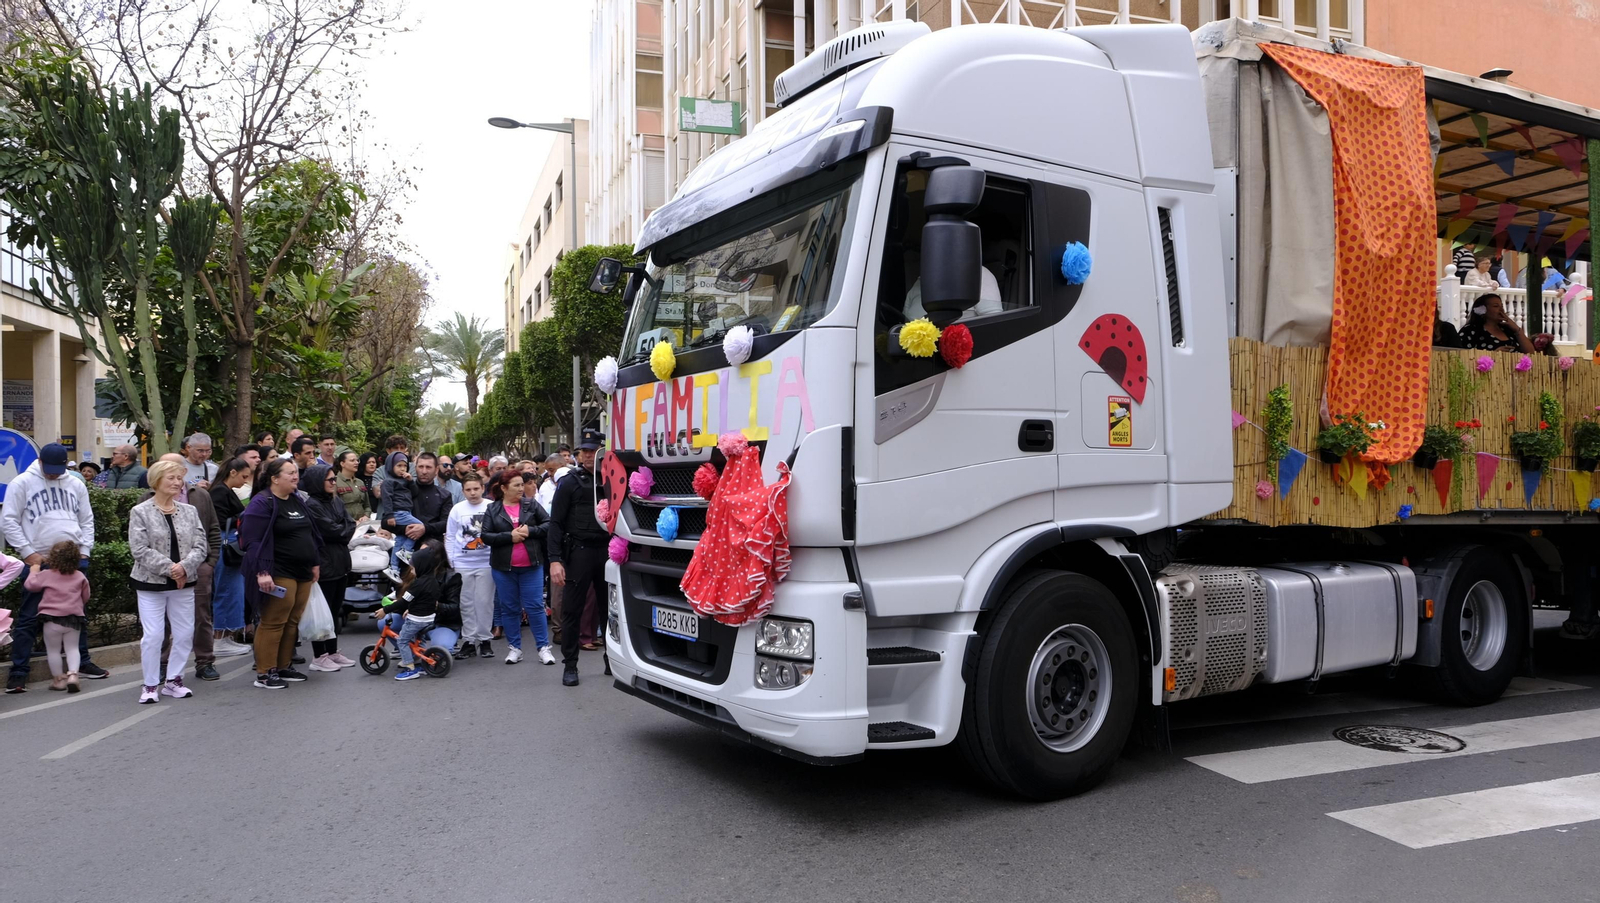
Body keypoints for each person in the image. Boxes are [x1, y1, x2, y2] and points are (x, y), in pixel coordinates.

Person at [3, 443, 107, 692]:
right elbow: (8, 520)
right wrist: (29, 554)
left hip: (73, 559)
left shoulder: (75, 483)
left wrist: (85, 551)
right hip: (40, 560)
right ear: (39, 462)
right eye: (48, 469)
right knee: (29, 617)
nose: (52, 474)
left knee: (77, 616)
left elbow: (86, 519)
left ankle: (81, 663)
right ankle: (19, 672)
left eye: (57, 470)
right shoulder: (22, 483)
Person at [129, 458, 209, 704]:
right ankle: (150, 684)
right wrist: (170, 569)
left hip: (184, 582)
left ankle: (174, 680)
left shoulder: (189, 511)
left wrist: (184, 567)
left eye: (179, 478)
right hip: (150, 584)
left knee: (185, 632)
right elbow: (139, 549)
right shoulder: (140, 511)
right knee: (153, 636)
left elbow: (200, 544)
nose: (177, 482)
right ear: (156, 481)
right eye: (171, 478)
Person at [239, 458, 322, 690]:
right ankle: (265, 673)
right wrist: (262, 572)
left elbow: (310, 534)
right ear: (275, 478)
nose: (295, 476)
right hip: (277, 571)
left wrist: (314, 562)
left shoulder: (296, 499)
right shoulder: (261, 502)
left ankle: (284, 666)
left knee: (292, 620)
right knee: (273, 621)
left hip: (303, 571)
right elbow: (253, 542)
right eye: (289, 473)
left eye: (296, 472)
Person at [145, 452, 223, 682]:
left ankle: (205, 661)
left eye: (177, 472)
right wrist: (166, 567)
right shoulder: (145, 500)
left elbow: (212, 531)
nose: (175, 479)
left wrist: (209, 563)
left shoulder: (199, 496)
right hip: (159, 571)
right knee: (161, 622)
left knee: (200, 616)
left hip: (197, 566)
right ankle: (162, 663)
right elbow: (141, 543)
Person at [548, 429, 611, 686]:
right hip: (579, 553)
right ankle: (570, 665)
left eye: (592, 450)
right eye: (584, 451)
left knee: (610, 610)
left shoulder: (612, 479)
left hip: (608, 552)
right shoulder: (570, 482)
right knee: (573, 611)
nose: (587, 455)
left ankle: (613, 659)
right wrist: (554, 560)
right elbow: (555, 523)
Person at [484, 469, 555, 665]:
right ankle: (515, 648)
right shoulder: (493, 509)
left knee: (534, 607)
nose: (521, 489)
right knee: (509, 608)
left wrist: (530, 531)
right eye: (516, 485)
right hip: (503, 568)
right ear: (503, 488)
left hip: (532, 566)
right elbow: (486, 536)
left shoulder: (531, 504)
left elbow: (549, 524)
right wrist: (510, 537)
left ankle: (543, 648)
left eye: (522, 485)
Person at [300, 463, 357, 671]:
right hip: (324, 563)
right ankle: (319, 655)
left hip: (340, 561)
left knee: (333, 610)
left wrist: (341, 529)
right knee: (321, 613)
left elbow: (349, 525)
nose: (334, 483)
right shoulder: (312, 504)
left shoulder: (335, 500)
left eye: (335, 479)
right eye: (330, 480)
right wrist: (341, 529)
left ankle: (332, 651)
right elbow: (333, 531)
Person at [379, 541, 448, 681]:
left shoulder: (417, 584)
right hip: (429, 618)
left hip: (416, 620)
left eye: (413, 568)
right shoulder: (433, 581)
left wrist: (385, 610)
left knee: (403, 641)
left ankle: (410, 667)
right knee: (418, 640)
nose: (411, 571)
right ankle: (422, 661)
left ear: (421, 567)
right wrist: (411, 609)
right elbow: (425, 600)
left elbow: (403, 601)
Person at [446, 471, 495, 657]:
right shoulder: (457, 509)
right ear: (463, 491)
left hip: (486, 562)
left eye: (476, 488)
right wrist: (452, 559)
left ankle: (484, 639)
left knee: (484, 601)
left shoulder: (491, 506)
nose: (473, 493)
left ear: (483, 488)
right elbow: (450, 536)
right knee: (465, 602)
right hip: (463, 563)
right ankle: (468, 640)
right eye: (468, 490)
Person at [210, 458, 253, 656]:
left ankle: (226, 637)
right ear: (233, 472)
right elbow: (219, 520)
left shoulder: (223, 490)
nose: (245, 481)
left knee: (232, 591)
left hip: (229, 544)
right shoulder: (220, 491)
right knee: (226, 591)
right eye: (244, 476)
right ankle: (220, 639)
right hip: (225, 545)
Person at [25, 543, 81, 692]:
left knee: (53, 650)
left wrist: (34, 570)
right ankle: (73, 675)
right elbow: (86, 595)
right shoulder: (79, 575)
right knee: (72, 648)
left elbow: (30, 585)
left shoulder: (46, 575)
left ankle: (59, 680)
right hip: (73, 619)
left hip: (51, 619)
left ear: (52, 558)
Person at [378, 451, 425, 572]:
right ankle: (407, 551)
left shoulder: (405, 481)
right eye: (399, 466)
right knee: (419, 527)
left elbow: (415, 493)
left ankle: (394, 568)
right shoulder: (388, 481)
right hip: (398, 513)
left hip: (406, 512)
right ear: (390, 466)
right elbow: (386, 499)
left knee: (400, 539)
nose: (402, 469)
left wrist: (410, 481)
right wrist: (389, 515)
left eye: (404, 466)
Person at [1457, 293, 1536, 353]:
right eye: (1496, 306)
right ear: (1482, 310)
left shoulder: (1508, 330)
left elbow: (1530, 352)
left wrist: (1517, 329)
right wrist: (1494, 354)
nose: (1501, 310)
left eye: (1502, 306)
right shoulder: (1470, 331)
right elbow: (1463, 356)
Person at [333, 450, 373, 522]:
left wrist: (366, 516)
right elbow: (335, 509)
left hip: (363, 524)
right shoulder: (334, 482)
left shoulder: (360, 482)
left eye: (357, 460)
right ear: (342, 463)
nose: (356, 463)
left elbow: (367, 506)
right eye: (352, 460)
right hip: (346, 524)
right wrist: (351, 521)